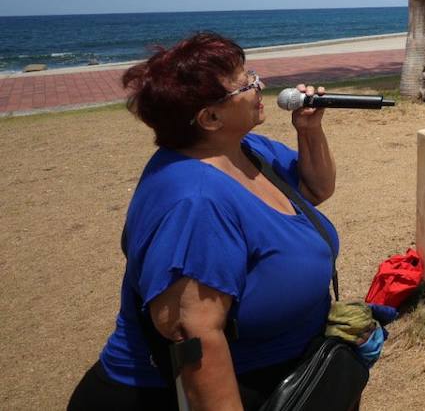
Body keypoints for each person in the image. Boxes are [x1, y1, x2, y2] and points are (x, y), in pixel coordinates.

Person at [68, 32, 344, 411]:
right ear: (210, 117)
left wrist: (309, 130)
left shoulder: (246, 150)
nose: (259, 85)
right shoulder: (195, 200)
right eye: (246, 83)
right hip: (169, 396)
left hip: (281, 374)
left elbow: (315, 191)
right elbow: (194, 337)